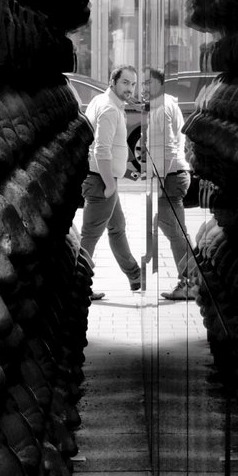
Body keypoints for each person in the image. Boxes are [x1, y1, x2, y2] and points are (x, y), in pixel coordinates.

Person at [80, 65, 142, 300]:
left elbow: (113, 148)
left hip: (103, 179)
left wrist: (126, 173)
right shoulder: (109, 109)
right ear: (112, 82)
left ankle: (135, 275)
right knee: (90, 237)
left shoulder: (105, 102)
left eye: (133, 84)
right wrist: (110, 185)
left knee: (117, 227)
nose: (130, 88)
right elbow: (101, 150)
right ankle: (78, 287)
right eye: (125, 82)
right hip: (101, 183)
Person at [143, 68, 200, 300]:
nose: (144, 88)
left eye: (148, 83)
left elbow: (167, 146)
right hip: (172, 175)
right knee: (173, 229)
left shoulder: (163, 108)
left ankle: (191, 282)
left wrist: (161, 180)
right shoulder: (162, 105)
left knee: (175, 232)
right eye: (143, 84)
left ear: (160, 83)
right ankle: (193, 279)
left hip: (170, 177)